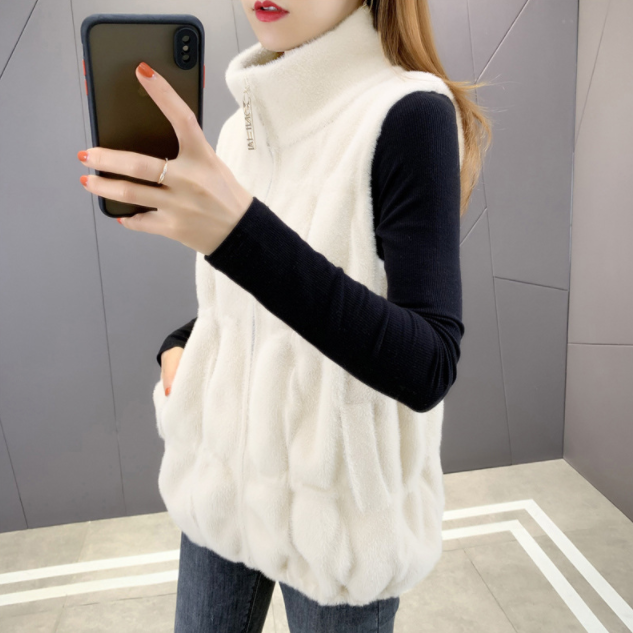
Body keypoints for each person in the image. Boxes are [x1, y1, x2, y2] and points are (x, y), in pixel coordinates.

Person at [155, 0, 492, 631]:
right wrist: (184, 343)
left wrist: (238, 233)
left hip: (337, 515)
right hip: (221, 480)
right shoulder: (239, 127)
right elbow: (254, 298)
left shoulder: (408, 113)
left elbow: (429, 361)